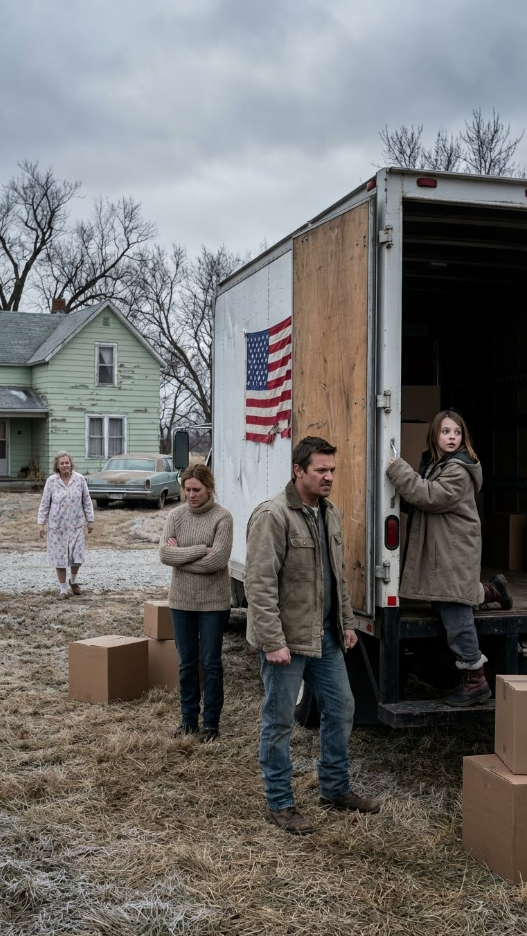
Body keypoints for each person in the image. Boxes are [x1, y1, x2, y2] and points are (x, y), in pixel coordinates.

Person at [245, 436, 380, 836]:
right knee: (279, 720)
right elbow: (260, 584)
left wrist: (347, 624)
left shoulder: (330, 513)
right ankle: (280, 803)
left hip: (326, 637)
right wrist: (273, 642)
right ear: (298, 470)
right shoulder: (273, 515)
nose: (329, 477)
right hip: (287, 639)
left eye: (332, 470)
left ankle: (335, 789)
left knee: (341, 708)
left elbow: (337, 576)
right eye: (321, 469)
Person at [387, 409, 512, 707]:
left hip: (453, 549)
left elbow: (432, 497)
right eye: (445, 431)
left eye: (456, 432)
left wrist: (399, 471)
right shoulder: (437, 464)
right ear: (435, 435)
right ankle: (492, 590)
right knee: (446, 596)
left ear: (463, 437)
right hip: (446, 547)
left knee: (455, 613)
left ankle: (475, 680)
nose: (451, 437)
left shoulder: (457, 469)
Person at [159, 464, 233, 742]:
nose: (191, 495)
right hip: (181, 602)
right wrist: (201, 550)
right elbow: (165, 555)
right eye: (187, 489)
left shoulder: (222, 518)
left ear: (208, 488)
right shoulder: (175, 516)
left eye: (196, 490)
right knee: (187, 663)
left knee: (211, 663)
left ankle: (211, 724)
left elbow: (219, 560)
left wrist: (182, 556)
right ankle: (188, 721)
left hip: (213, 604)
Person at [37, 451, 94, 600]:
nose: (65, 465)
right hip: (57, 527)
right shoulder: (51, 481)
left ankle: (73, 581)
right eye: (62, 463)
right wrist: (41, 523)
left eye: (67, 462)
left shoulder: (79, 479)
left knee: (77, 558)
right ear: (57, 465)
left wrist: (90, 520)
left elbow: (87, 501)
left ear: (71, 464)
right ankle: (63, 590)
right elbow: (44, 504)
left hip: (76, 525)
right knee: (60, 559)